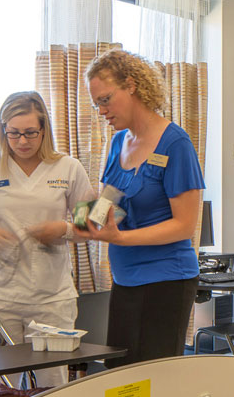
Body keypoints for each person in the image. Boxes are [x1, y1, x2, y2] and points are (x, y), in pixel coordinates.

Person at [0, 91, 93, 387]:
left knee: (50, 385)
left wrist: (63, 229)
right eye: (13, 133)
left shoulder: (69, 168)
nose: (22, 142)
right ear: (2, 131)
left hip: (51, 298)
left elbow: (91, 226)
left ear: (44, 130)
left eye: (31, 133)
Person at [78, 50, 204, 367]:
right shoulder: (118, 142)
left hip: (167, 279)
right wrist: (79, 222)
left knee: (154, 377)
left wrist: (119, 238)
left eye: (106, 99)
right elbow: (107, 203)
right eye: (97, 105)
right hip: (125, 277)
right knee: (120, 374)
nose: (102, 111)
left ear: (132, 85)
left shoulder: (175, 143)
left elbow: (184, 226)